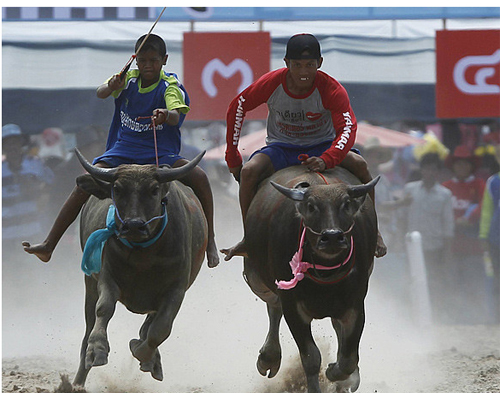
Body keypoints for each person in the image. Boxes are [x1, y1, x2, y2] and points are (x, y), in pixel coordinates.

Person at [23, 34, 219, 268]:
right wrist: (111, 86)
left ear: (164, 60)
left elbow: (176, 115)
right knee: (85, 182)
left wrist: (166, 115)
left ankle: (211, 242)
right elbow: (101, 92)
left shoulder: (170, 87)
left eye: (154, 60)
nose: (148, 66)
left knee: (200, 177)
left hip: (159, 154)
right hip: (123, 151)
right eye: (143, 60)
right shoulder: (127, 79)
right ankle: (49, 244)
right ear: (135, 60)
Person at [222, 33, 386, 260]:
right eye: (297, 65)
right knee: (249, 172)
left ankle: (374, 230)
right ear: (287, 63)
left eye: (309, 65)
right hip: (281, 147)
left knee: (360, 164)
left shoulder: (331, 88)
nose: (303, 72)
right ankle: (249, 238)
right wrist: (233, 158)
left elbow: (348, 128)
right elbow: (237, 107)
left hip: (322, 146)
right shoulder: (272, 83)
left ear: (319, 63)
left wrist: (328, 158)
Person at [386, 153, 455, 323]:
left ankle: (436, 316)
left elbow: (448, 226)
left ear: (438, 172)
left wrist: (448, 253)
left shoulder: (445, 194)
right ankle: (412, 317)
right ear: (422, 170)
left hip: (434, 247)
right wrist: (399, 241)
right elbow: (402, 217)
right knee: (412, 282)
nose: (430, 172)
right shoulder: (410, 189)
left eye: (434, 169)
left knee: (435, 283)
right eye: (427, 168)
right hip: (412, 247)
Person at [442, 145, 486, 323]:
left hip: (473, 245)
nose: (461, 167)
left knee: (473, 281)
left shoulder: (479, 185)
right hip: (451, 245)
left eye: (465, 164)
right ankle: (455, 317)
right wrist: (453, 222)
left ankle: (476, 317)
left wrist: (470, 219)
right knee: (452, 282)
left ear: (471, 166)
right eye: (458, 164)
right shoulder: (446, 187)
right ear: (453, 166)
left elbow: (485, 206)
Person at [3, 124, 54, 256]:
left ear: (21, 143)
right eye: (7, 143)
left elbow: (51, 186)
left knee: (34, 267)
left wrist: (37, 189)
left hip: (32, 230)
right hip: (6, 234)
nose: (12, 146)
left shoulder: (35, 164)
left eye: (15, 142)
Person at [479, 145, 500, 323]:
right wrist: (484, 236)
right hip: (496, 239)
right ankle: (495, 316)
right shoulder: (493, 182)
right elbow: (487, 211)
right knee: (496, 279)